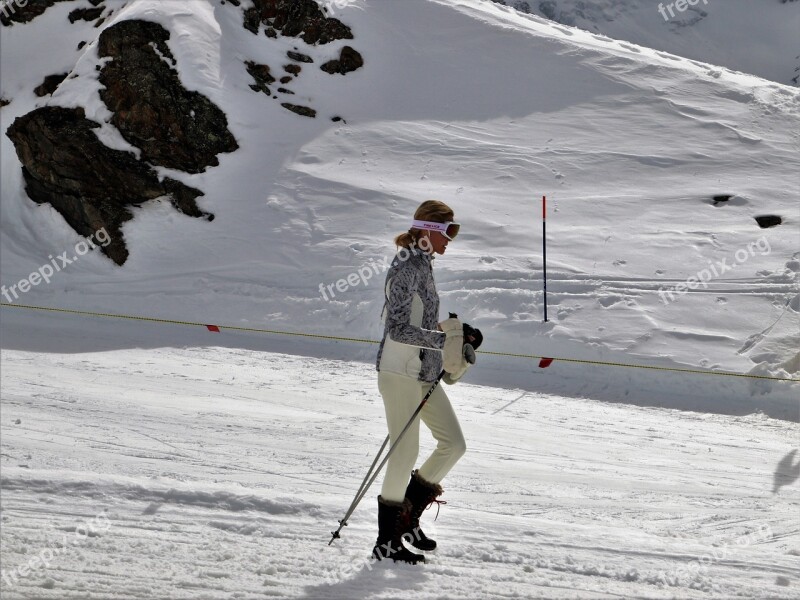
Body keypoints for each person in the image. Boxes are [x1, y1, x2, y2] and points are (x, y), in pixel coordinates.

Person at [372, 200, 477, 564]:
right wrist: (444, 341)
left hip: (423, 373)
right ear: (428, 229)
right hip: (398, 371)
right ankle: (387, 542)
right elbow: (397, 330)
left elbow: (422, 325)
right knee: (404, 452)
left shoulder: (424, 266)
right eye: (448, 231)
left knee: (453, 443)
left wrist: (459, 337)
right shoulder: (404, 266)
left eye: (454, 231)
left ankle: (407, 518)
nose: (452, 239)